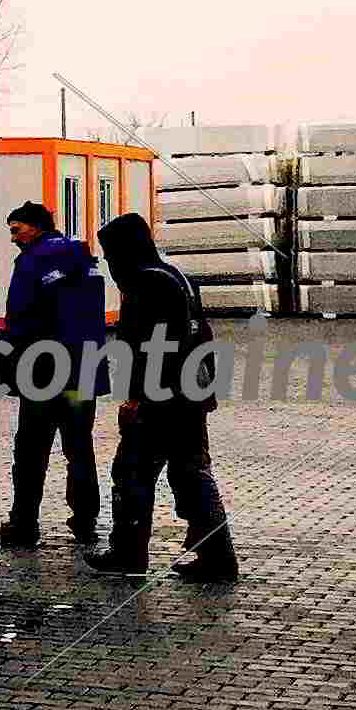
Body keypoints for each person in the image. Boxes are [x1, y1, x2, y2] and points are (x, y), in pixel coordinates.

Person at [87, 210, 243, 583]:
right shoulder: (178, 277)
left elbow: (149, 349)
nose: (109, 262)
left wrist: (135, 399)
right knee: (191, 474)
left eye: (110, 254)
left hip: (160, 401)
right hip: (189, 396)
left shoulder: (144, 284)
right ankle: (217, 557)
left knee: (131, 473)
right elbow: (201, 336)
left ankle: (128, 553)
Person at [0, 202, 105, 550]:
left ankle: (24, 523)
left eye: (16, 230)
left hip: (44, 372)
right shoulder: (83, 258)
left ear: (36, 227)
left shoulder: (33, 259)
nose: (13, 238)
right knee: (79, 447)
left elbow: (21, 317)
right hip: (82, 372)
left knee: (31, 449)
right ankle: (86, 521)